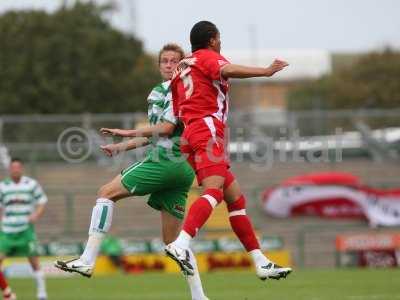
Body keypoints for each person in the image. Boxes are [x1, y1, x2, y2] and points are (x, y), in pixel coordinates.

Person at [55, 43, 209, 300]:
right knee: (173, 244)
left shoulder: (177, 89)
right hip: (182, 167)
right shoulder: (170, 91)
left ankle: (87, 260)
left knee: (105, 193)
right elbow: (156, 133)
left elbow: (168, 128)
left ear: (182, 65)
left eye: (174, 61)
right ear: (159, 65)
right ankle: (199, 296)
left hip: (165, 160)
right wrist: (122, 146)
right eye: (165, 61)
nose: (169, 65)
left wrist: (128, 132)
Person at [164, 21, 292, 281]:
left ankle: (260, 261)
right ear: (212, 40)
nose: (220, 42)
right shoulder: (208, 57)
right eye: (219, 38)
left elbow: (177, 114)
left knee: (235, 199)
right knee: (213, 191)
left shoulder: (181, 68)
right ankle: (180, 243)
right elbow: (228, 69)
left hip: (189, 134)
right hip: (206, 129)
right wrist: (266, 72)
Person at [0, 158, 48, 300]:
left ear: (21, 169)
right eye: (13, 168)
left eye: (18, 167)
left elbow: (42, 200)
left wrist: (36, 215)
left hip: (25, 230)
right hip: (7, 231)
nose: (15, 170)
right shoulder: (3, 186)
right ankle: (8, 292)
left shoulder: (31, 184)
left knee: (34, 261)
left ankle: (42, 293)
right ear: (10, 169)